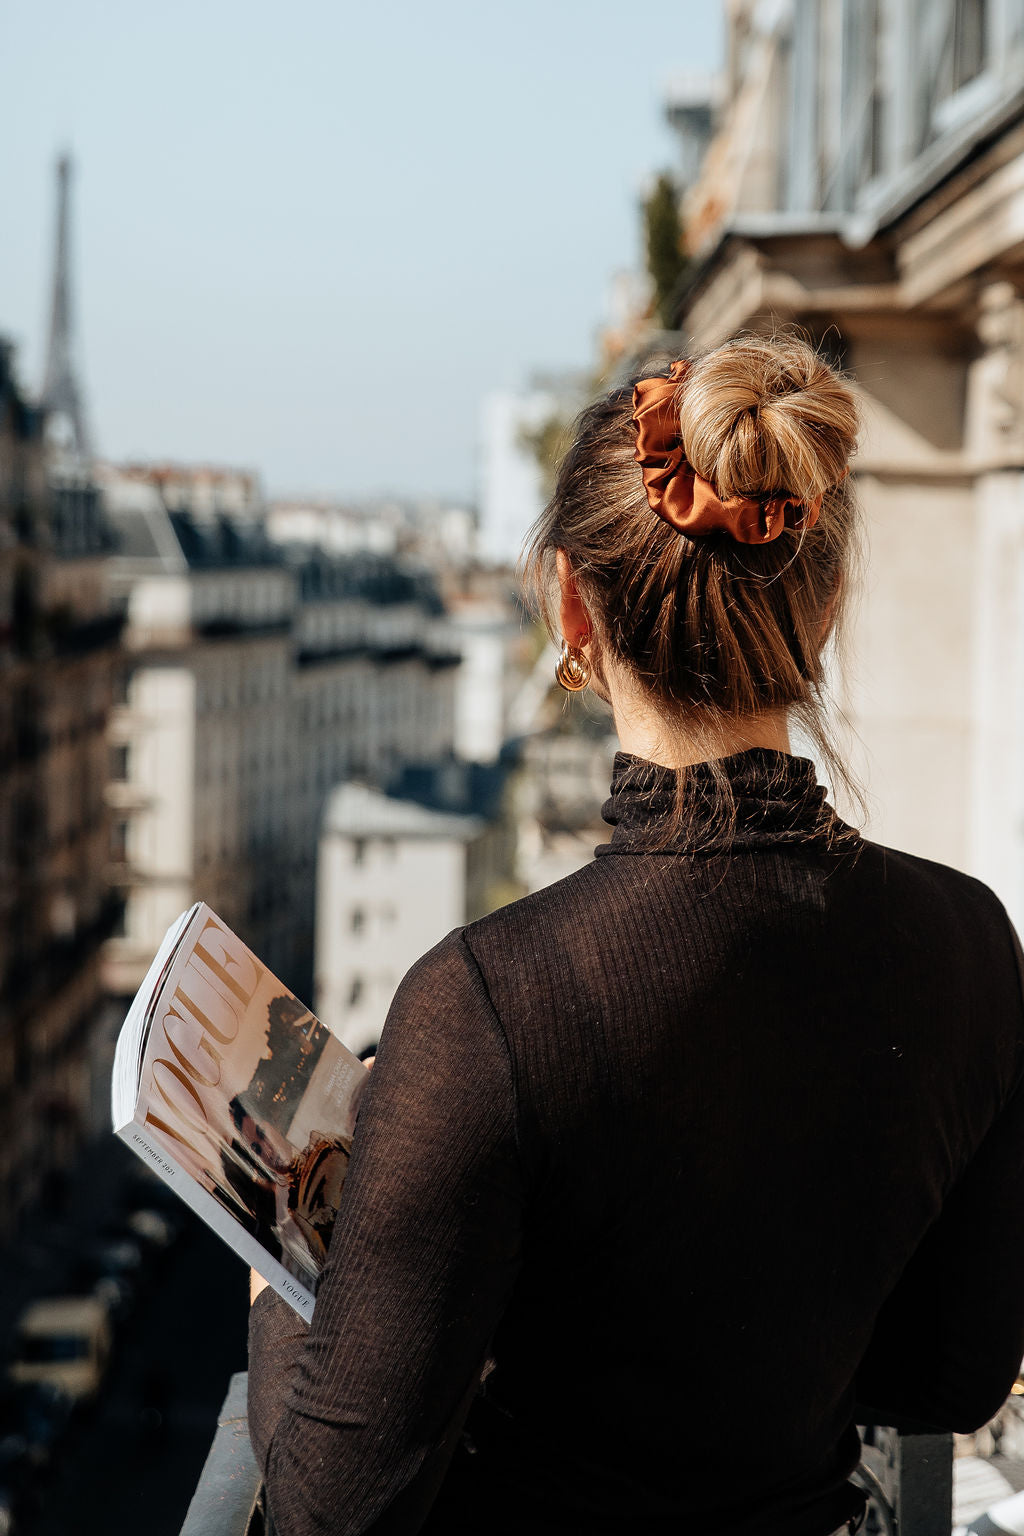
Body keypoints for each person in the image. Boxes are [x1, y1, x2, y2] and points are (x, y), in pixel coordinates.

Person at [246, 335, 1024, 1536]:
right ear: (818, 610)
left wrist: (287, 1269)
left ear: (570, 606)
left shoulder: (489, 1004)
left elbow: (323, 1513)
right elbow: (951, 1377)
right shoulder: (969, 941)